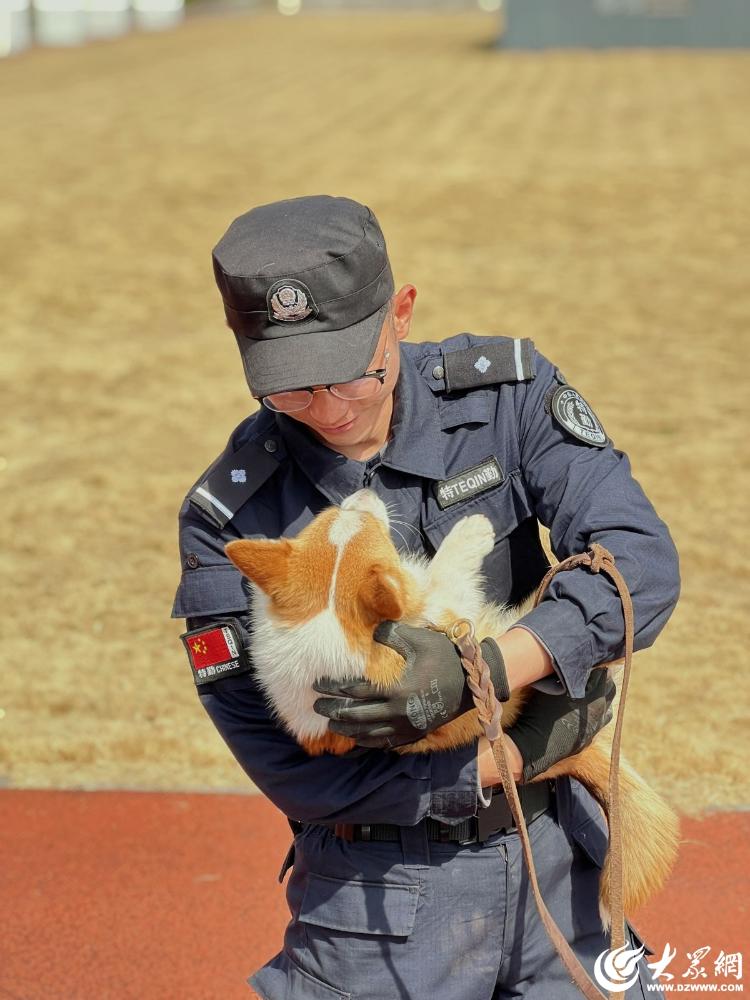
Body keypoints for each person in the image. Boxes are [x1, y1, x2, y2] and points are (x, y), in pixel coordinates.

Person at [173, 194, 679, 999]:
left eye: (351, 373)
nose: (331, 411)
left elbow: (643, 565)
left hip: (558, 863)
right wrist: (507, 756)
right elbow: (288, 770)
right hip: (375, 904)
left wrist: (496, 665)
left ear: (400, 314)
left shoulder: (506, 397)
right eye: (292, 390)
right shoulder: (233, 517)